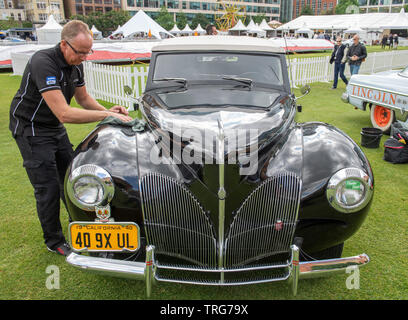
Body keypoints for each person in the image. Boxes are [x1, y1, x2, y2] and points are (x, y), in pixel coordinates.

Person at [9, 20, 132, 256]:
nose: (85, 57)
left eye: (89, 52)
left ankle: (83, 224)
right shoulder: (43, 62)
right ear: (65, 44)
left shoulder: (76, 64)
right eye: (81, 52)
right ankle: (54, 240)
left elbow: (83, 99)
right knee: (48, 187)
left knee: (72, 176)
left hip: (54, 127)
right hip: (31, 129)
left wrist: (109, 113)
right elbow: (64, 113)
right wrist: (105, 114)